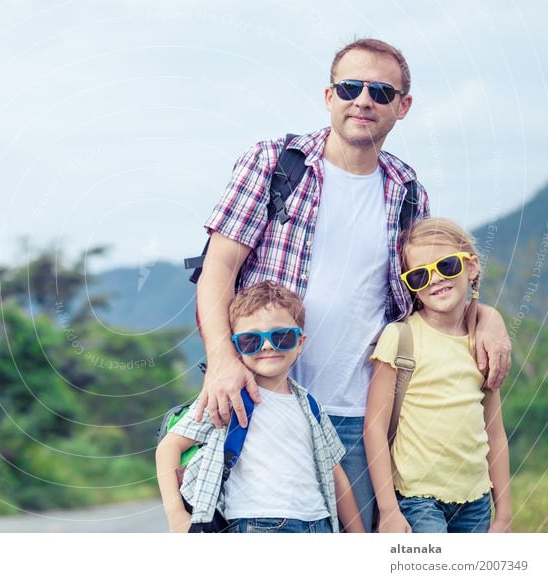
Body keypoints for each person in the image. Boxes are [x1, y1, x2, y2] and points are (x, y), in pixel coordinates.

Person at [193, 38, 511, 531]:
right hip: (263, 401)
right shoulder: (275, 163)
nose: (363, 99)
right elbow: (219, 268)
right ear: (329, 96)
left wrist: (485, 316)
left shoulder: (407, 189)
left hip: (363, 418)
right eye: (350, 86)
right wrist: (220, 359)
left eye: (381, 92)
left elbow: (429, 290)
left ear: (402, 107)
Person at [156, 281, 364, 533]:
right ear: (235, 346)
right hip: (255, 524)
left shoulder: (311, 406)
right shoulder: (228, 398)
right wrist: (176, 516)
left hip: (318, 523)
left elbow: (335, 474)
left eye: (282, 337)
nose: (267, 345)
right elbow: (169, 446)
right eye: (250, 340)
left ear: (300, 342)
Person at [364, 218, 511, 533]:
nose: (435, 280)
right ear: (410, 284)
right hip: (417, 499)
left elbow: (495, 434)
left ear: (470, 267)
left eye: (446, 266)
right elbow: (374, 429)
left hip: (476, 499)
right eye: (419, 275)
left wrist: (504, 516)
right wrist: (389, 509)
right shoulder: (400, 338)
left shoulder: (481, 343)